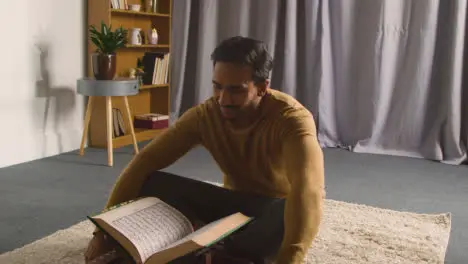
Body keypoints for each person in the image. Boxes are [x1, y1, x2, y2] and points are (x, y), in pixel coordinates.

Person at [84, 36, 325, 264]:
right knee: (150, 180)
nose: (223, 99)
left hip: (270, 211)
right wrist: (102, 235)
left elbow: (309, 188)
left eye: (235, 90)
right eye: (217, 87)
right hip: (229, 208)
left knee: (294, 206)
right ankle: (212, 251)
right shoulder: (206, 115)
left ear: (262, 87)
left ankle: (218, 251)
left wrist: (290, 258)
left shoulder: (292, 119)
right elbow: (146, 160)